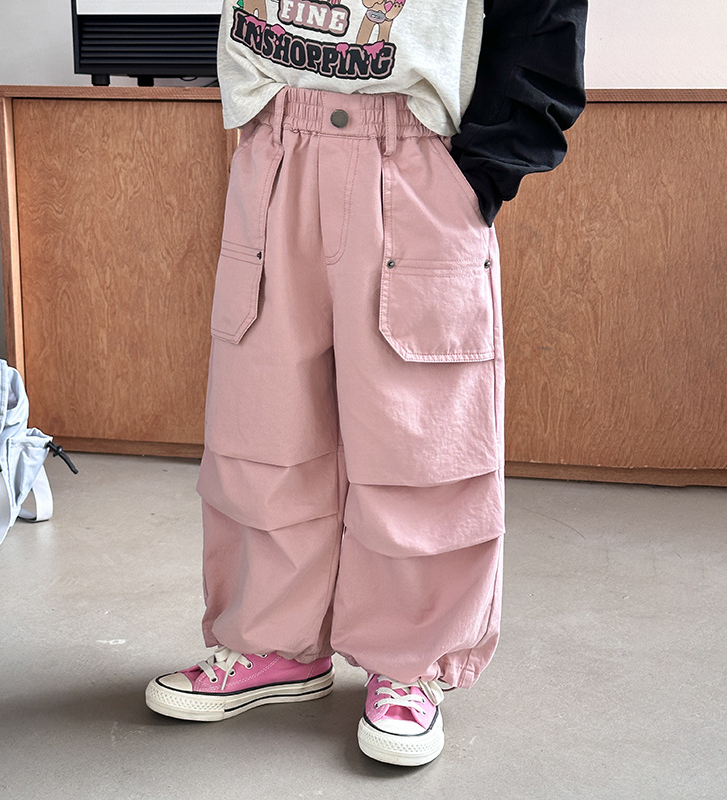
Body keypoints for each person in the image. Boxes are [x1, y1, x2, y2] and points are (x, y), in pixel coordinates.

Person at [146, 0, 587, 767]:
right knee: (263, 421)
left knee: (419, 436)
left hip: (415, 153)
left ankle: (412, 662)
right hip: (275, 142)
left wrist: (485, 167)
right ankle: (275, 644)